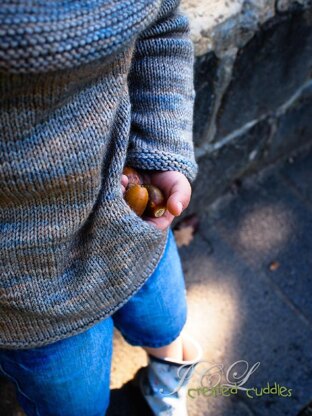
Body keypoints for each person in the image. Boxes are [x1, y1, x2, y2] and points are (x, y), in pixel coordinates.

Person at [0, 0, 203, 414]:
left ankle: (163, 387)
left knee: (166, 321)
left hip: (130, 221)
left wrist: (162, 148)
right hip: (27, 291)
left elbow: (161, 27)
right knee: (77, 404)